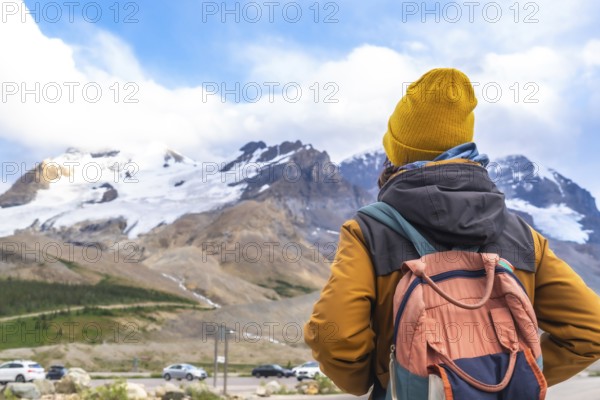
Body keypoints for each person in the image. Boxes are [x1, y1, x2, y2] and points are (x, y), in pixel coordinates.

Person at [304, 68, 600, 399]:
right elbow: (591, 331)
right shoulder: (523, 235)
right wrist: (516, 376)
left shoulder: (367, 231)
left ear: (398, 152)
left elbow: (335, 335)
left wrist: (377, 383)